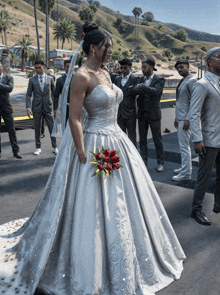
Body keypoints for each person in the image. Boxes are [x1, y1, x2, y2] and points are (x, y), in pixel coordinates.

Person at [0, 24, 185, 294]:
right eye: (107, 47)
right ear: (93, 48)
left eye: (110, 47)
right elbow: (74, 117)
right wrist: (81, 150)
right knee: (89, 203)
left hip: (118, 140)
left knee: (128, 201)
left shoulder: (106, 72)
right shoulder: (81, 76)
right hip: (93, 142)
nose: (111, 51)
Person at [189, 47, 220, 226]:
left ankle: (218, 205)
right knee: (204, 176)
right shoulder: (202, 84)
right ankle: (196, 210)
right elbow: (194, 114)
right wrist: (197, 139)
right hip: (208, 140)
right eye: (219, 57)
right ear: (210, 62)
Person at [133, 58, 165, 172]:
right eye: (142, 67)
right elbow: (134, 91)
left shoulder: (159, 79)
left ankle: (160, 163)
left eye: (144, 67)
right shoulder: (140, 79)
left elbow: (156, 92)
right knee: (142, 139)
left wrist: (142, 87)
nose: (142, 69)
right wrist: (141, 88)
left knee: (157, 139)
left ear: (151, 67)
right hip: (142, 114)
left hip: (154, 114)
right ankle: (143, 162)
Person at [26, 60, 58, 156]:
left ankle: (55, 147)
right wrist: (28, 107)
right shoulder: (32, 80)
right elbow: (28, 95)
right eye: (35, 68)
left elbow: (55, 93)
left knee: (52, 128)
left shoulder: (50, 78)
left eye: (39, 67)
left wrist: (55, 106)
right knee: (37, 128)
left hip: (48, 107)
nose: (37, 69)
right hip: (36, 107)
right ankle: (38, 147)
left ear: (43, 67)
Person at [172, 59, 197, 182]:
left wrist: (188, 119)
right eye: (177, 68)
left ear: (188, 66)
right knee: (182, 146)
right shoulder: (183, 81)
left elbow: (194, 102)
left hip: (186, 119)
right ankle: (184, 167)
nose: (179, 70)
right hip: (180, 117)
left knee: (184, 146)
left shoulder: (192, 81)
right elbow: (181, 101)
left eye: (181, 67)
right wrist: (177, 117)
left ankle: (186, 172)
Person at [0, 60, 22, 159]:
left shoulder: (9, 78)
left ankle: (16, 151)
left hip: (7, 108)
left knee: (11, 131)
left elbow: (10, 88)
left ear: (2, 66)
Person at [115, 58, 138, 147]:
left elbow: (136, 92)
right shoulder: (117, 79)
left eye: (125, 68)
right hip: (119, 113)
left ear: (130, 68)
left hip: (130, 113)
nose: (123, 70)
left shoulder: (135, 79)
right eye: (121, 68)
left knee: (132, 137)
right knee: (120, 137)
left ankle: (134, 158)